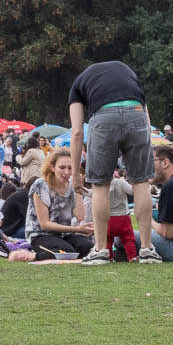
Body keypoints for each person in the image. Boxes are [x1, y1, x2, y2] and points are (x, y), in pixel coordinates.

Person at [68, 60, 159, 265]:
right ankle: (147, 249)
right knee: (140, 182)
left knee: (100, 184)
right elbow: (146, 113)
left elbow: (76, 132)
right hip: (137, 114)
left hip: (104, 117)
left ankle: (100, 250)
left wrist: (75, 173)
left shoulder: (78, 85)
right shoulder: (128, 71)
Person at [25, 148, 94, 260]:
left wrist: (78, 190)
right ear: (52, 167)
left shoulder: (71, 184)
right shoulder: (41, 185)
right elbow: (44, 224)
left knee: (88, 248)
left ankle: (54, 252)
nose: (66, 172)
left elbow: (80, 216)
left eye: (70, 168)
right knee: (67, 253)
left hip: (64, 234)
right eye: (62, 167)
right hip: (40, 235)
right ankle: (31, 256)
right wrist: (78, 229)